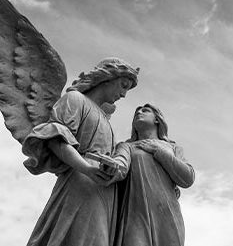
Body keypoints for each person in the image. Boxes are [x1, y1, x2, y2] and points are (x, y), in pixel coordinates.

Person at [21, 57, 139, 246]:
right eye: (123, 85)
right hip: (81, 182)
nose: (124, 94)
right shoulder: (75, 99)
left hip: (104, 191)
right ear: (107, 78)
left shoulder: (105, 120)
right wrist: (86, 168)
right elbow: (55, 138)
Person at [112, 104, 195, 246]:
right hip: (135, 214)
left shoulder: (172, 147)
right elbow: (120, 165)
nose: (139, 112)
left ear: (157, 119)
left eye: (145, 110)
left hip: (167, 213)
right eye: (136, 111)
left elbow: (188, 178)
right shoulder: (127, 146)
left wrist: (159, 151)